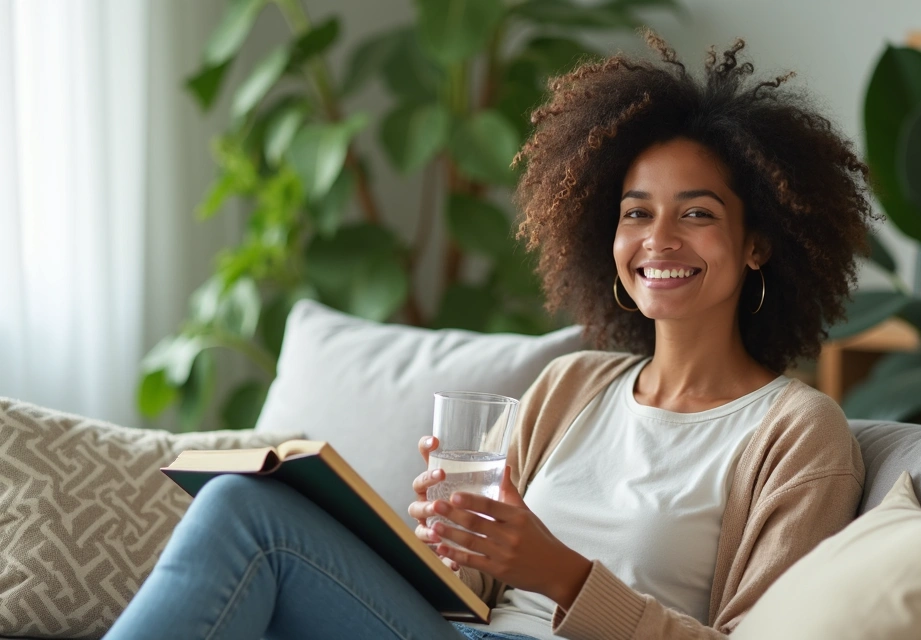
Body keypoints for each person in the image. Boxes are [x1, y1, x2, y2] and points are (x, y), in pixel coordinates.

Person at [106, 30, 873, 640]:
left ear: (759, 243)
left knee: (248, 521)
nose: (658, 239)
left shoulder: (799, 435)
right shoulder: (572, 387)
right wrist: (454, 545)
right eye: (636, 212)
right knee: (245, 501)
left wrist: (563, 575)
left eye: (697, 213)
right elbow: (471, 599)